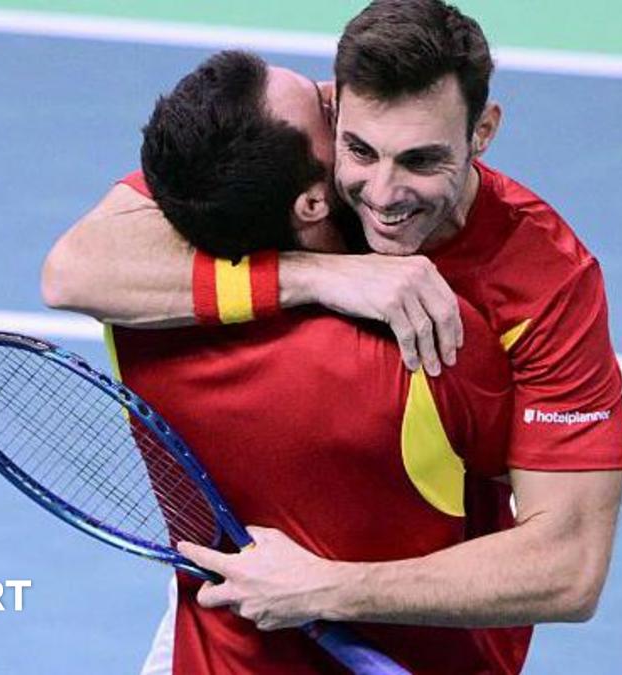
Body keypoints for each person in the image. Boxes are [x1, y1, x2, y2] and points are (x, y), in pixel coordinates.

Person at [43, 0, 622, 669]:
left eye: (421, 159)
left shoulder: (545, 282)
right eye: (360, 150)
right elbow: (74, 269)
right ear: (334, 107)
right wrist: (322, 275)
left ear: (483, 131)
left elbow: (569, 568)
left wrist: (322, 586)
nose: (383, 193)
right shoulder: (284, 161)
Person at [81, 49, 522, 673]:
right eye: (323, 109)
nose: (333, 95)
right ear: (312, 202)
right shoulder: (434, 344)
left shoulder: (134, 319)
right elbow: (542, 530)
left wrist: (312, 273)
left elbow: (71, 270)